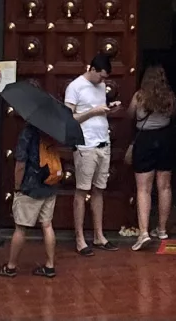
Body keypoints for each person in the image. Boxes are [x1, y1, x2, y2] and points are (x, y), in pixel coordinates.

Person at [65, 51, 117, 254]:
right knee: (81, 191)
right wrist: (92, 112)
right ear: (92, 69)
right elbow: (69, 119)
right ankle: (80, 239)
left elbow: (98, 109)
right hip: (85, 145)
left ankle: (99, 235)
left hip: (103, 142)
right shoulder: (75, 87)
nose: (103, 81)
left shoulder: (101, 85)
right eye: (101, 76)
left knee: (99, 190)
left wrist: (107, 110)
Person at [0, 121, 59, 279]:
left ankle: (11, 266)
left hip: (31, 186)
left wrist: (17, 186)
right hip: (49, 184)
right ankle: (50, 265)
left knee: (21, 228)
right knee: (47, 225)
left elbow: (21, 163)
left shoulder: (27, 133)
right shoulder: (52, 130)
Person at [129, 64, 176, 250]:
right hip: (165, 139)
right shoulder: (169, 97)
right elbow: (173, 116)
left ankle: (143, 233)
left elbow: (130, 115)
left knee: (143, 189)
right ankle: (162, 229)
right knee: (164, 186)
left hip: (145, 140)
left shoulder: (139, 96)